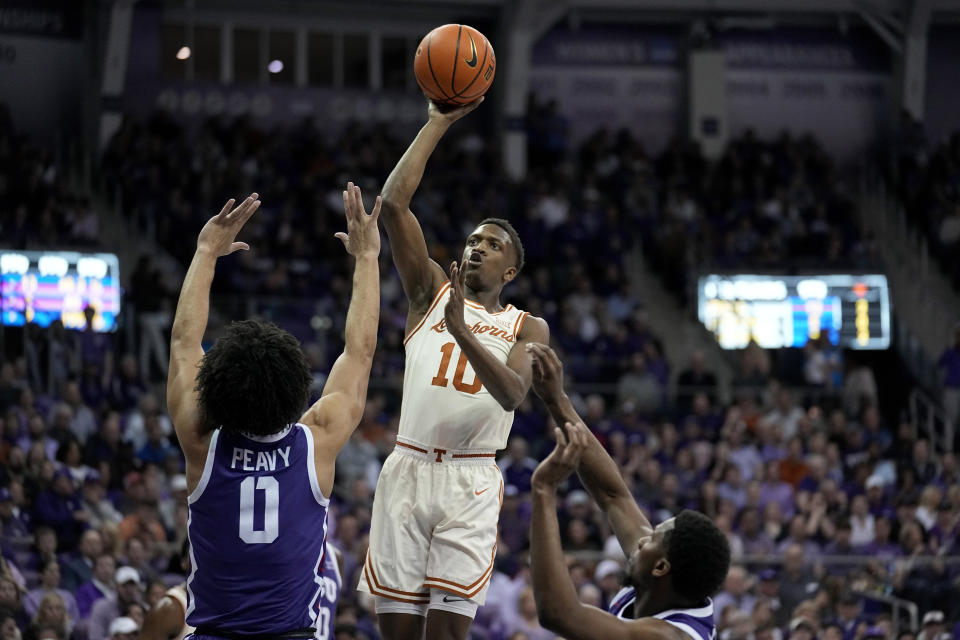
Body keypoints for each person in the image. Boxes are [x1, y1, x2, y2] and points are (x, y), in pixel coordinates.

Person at [357, 99, 549, 640]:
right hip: (408, 467)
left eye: (492, 245)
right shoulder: (430, 292)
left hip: (471, 478)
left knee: (444, 635)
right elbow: (394, 204)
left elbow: (513, 393)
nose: (477, 249)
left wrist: (464, 330)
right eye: (472, 240)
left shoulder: (527, 326)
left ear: (509, 269)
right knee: (397, 632)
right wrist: (438, 122)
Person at [167, 187, 380, 639]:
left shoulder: (201, 442)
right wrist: (367, 258)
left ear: (217, 388)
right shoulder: (316, 440)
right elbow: (359, 353)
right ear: (296, 389)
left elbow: (185, 343)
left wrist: (206, 252)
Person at [525, 342, 731, 640]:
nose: (641, 538)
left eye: (651, 540)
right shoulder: (661, 581)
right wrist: (557, 400)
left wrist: (543, 491)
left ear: (661, 566)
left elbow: (559, 614)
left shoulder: (671, 636)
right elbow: (613, 496)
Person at [140, 542, 192, 640]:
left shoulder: (223, 602)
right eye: (195, 555)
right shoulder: (168, 608)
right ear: (183, 563)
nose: (202, 561)